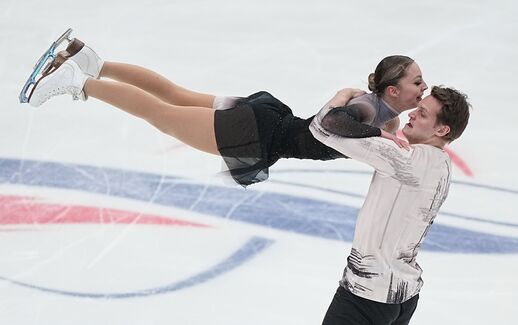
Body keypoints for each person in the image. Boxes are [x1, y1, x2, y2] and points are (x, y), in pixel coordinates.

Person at [25, 36, 426, 186]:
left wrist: (394, 139)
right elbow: (331, 123)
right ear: (393, 89)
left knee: (173, 94)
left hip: (265, 120)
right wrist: (380, 135)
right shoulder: (364, 107)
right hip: (254, 133)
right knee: (161, 113)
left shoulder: (383, 114)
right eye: (417, 82)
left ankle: (93, 62)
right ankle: (77, 82)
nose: (423, 89)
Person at [314, 85, 471, 324]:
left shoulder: (405, 160)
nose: (412, 114)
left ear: (442, 129)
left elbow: (323, 128)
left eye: (423, 114)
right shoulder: (442, 165)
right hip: (404, 298)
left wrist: (343, 96)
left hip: (366, 296)